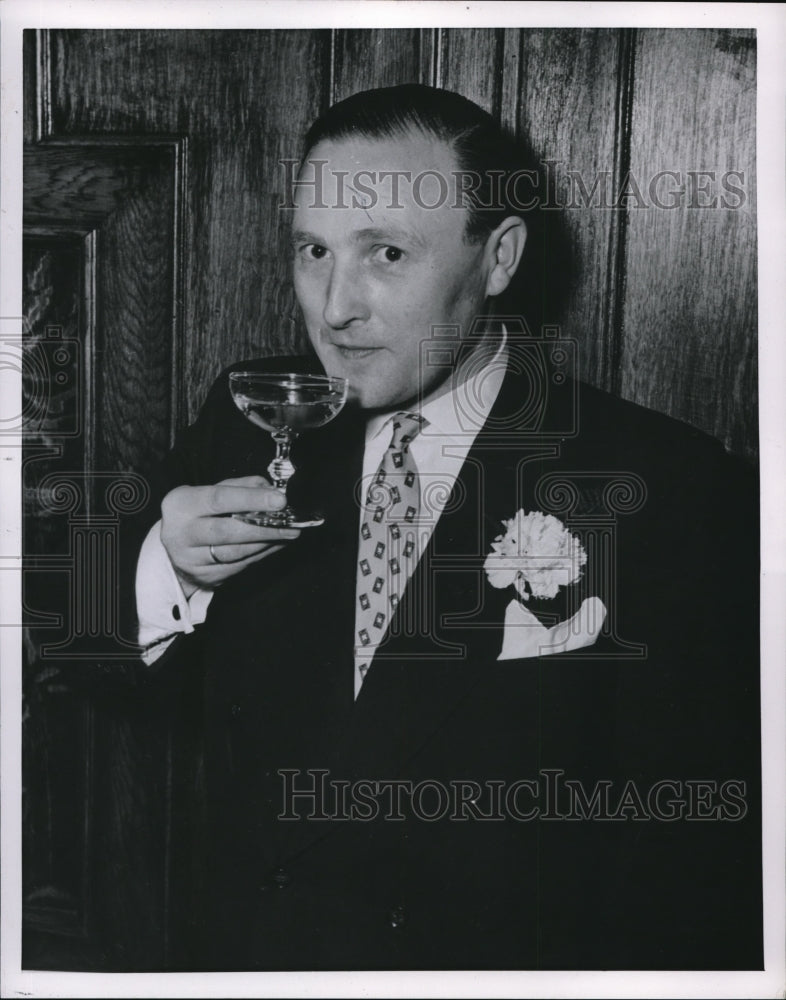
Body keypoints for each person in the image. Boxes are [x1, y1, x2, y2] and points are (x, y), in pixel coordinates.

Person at [133, 85, 761, 970]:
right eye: (313, 250)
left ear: (498, 258)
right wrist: (168, 565)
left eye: (385, 252)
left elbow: (702, 869)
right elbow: (98, 674)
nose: (334, 307)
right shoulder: (255, 413)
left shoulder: (672, 486)